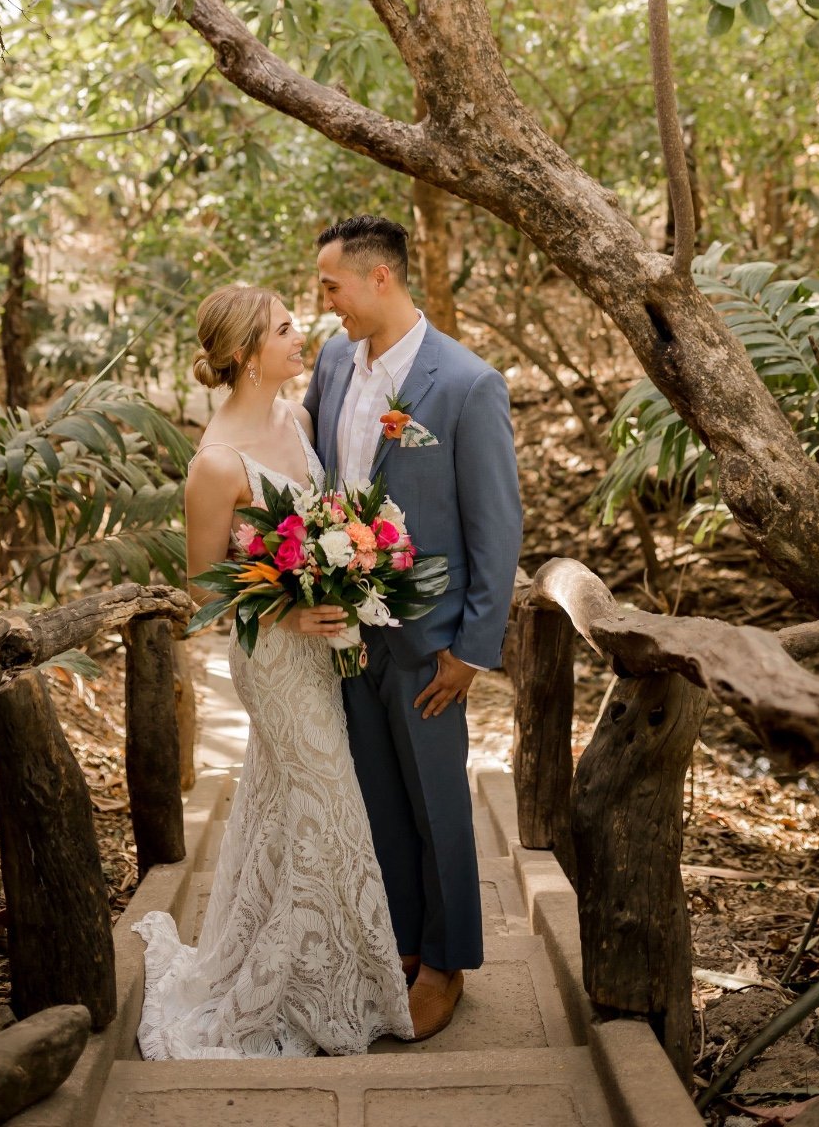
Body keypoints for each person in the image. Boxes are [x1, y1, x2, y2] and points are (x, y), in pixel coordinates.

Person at [133, 284, 413, 1059]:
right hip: (274, 659)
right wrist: (288, 611)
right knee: (331, 807)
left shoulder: (296, 416)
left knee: (291, 812)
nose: (303, 336)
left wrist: (358, 562)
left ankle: (319, 976)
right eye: (286, 329)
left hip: (326, 651)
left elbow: (327, 520)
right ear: (245, 355)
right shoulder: (215, 465)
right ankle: (311, 997)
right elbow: (198, 589)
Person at [305, 215, 523, 1041]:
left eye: (332, 286)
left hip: (429, 641)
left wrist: (471, 650)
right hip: (349, 630)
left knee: (438, 806)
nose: (325, 304)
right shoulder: (333, 361)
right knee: (378, 799)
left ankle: (447, 962)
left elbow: (497, 529)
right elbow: (326, 479)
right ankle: (397, 946)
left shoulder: (466, 385)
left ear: (381, 278)